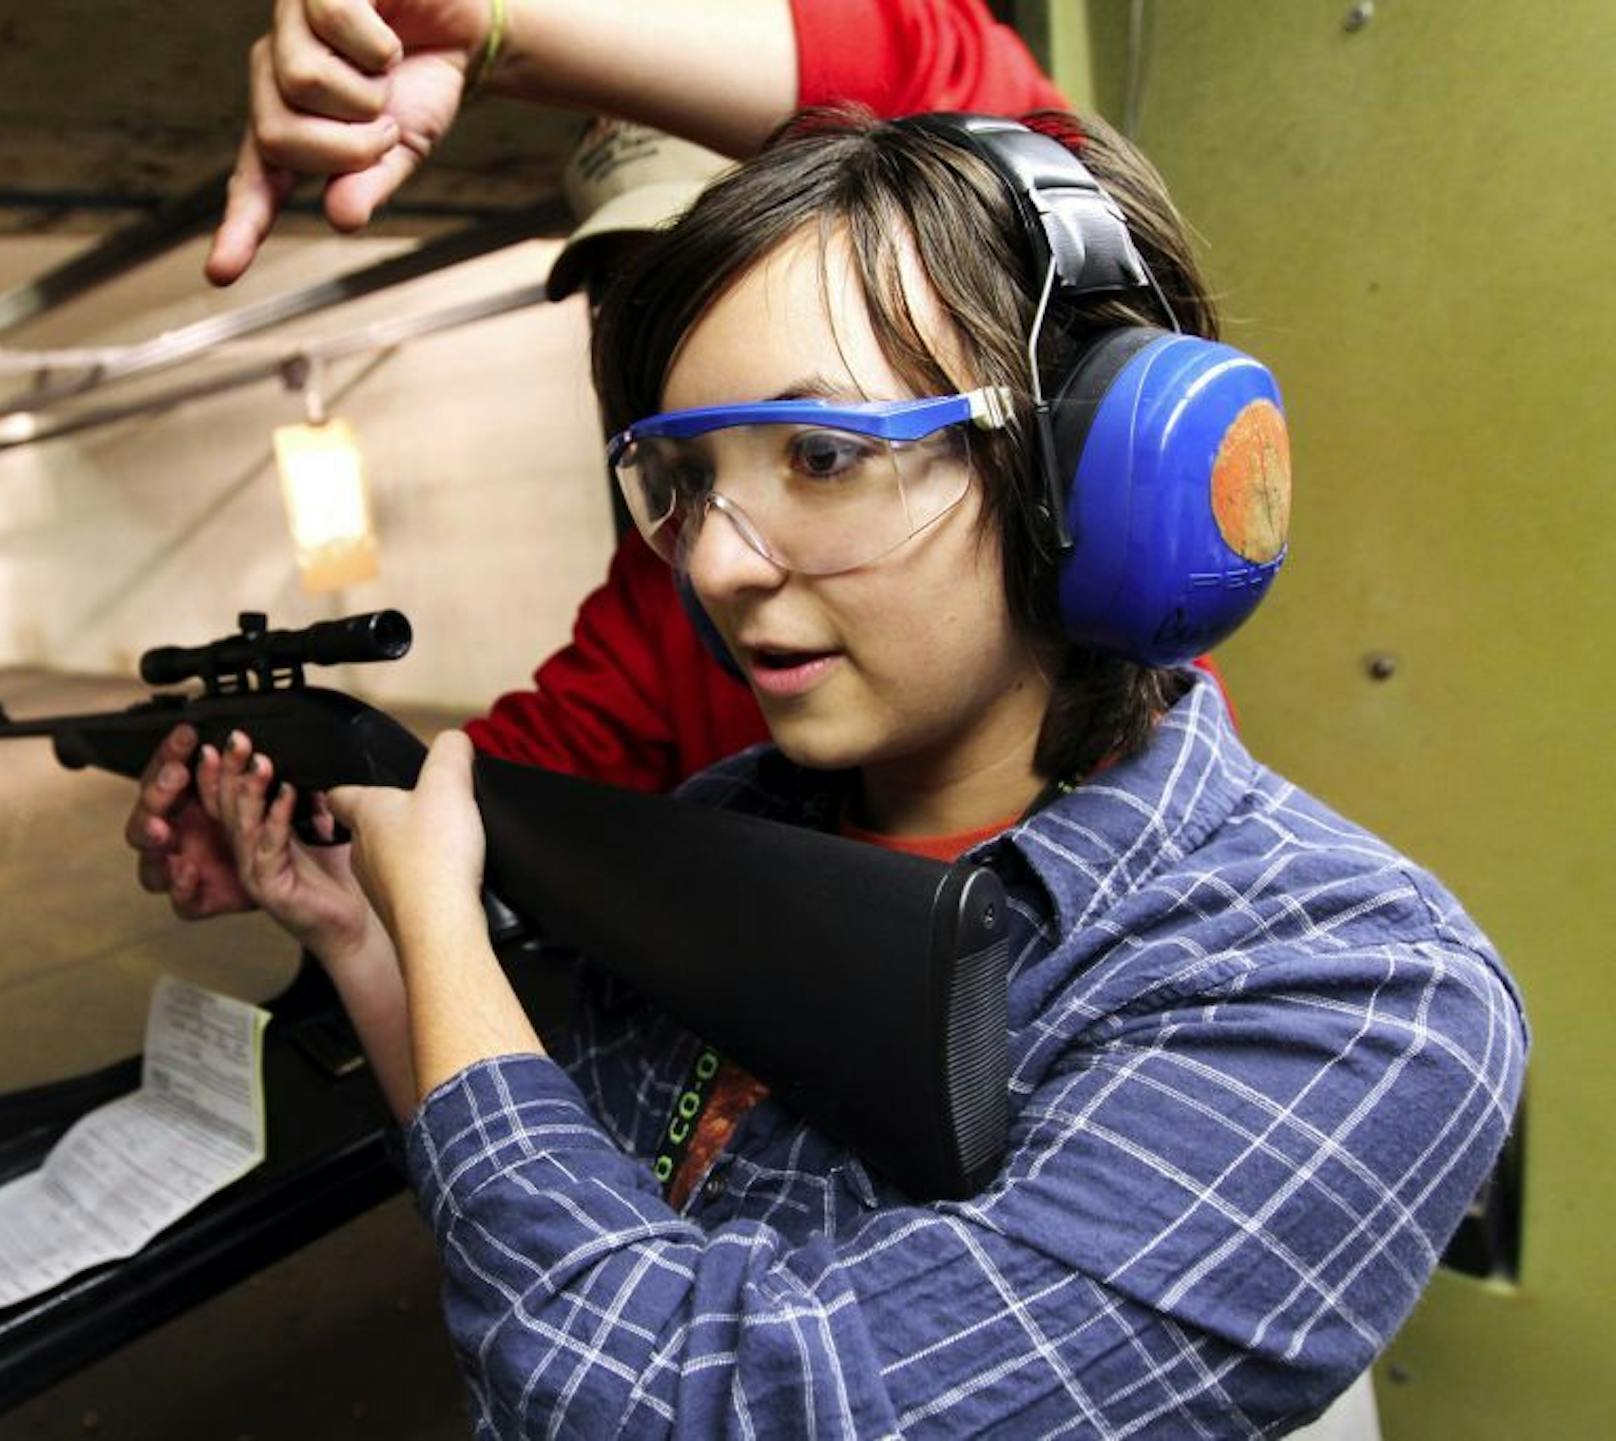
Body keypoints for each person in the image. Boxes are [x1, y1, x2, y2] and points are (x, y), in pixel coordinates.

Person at [190, 109, 1528, 1434]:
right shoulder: (724, 827)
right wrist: (375, 944)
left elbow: (677, 1408)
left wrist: (445, 925)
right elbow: (556, 1229)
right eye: (687, 476)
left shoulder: (1358, 993)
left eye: (821, 457)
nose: (717, 561)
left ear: (1084, 470)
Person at [130, 0, 1065, 913]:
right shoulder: (670, 585)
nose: (719, 565)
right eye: (633, 288)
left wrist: (502, 27)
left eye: (824, 453)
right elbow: (520, 776)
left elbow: (996, 132)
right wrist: (312, 839)